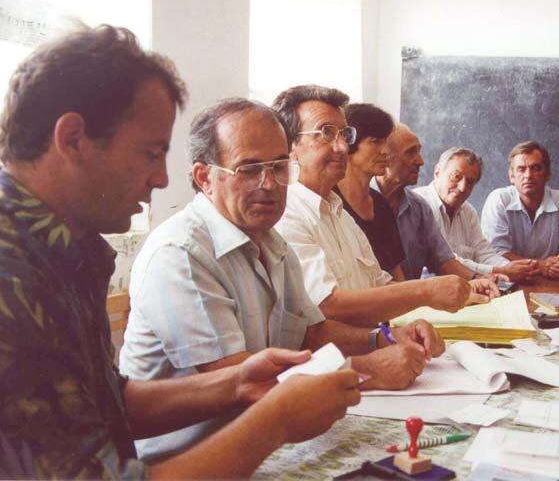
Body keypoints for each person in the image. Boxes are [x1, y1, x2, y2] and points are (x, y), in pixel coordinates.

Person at [0, 26, 359, 479]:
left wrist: (237, 383)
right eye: (150, 154)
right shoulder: (11, 274)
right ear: (72, 139)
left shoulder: (62, 251)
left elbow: (104, 401)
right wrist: (275, 421)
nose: (161, 180)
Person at [120, 98, 443, 461]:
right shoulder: (180, 253)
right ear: (204, 177)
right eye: (250, 168)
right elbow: (238, 377)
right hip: (186, 460)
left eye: (278, 167)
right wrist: (369, 371)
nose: (270, 184)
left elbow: (313, 332)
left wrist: (381, 338)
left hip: (264, 447)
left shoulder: (271, 241)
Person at [273, 85, 492, 327]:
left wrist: (460, 292)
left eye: (345, 135)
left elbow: (381, 284)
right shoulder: (285, 214)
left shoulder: (340, 215)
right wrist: (426, 291)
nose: (343, 147)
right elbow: (327, 305)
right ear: (289, 146)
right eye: (326, 133)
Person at [374, 124, 500, 294]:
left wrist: (476, 279)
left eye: (419, 151)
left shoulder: (419, 207)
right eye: (411, 152)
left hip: (410, 306)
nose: (420, 161)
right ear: (385, 156)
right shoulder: (360, 202)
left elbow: (444, 261)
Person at [413, 146, 540, 282]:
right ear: (437, 172)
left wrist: (512, 267)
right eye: (456, 176)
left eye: (470, 182)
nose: (462, 187)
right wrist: (500, 271)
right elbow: (447, 262)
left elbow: (484, 252)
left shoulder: (468, 211)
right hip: (427, 293)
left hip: (466, 288)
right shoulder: (419, 204)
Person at [481, 140, 559, 279]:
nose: (528, 175)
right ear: (511, 176)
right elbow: (495, 253)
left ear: (547, 174)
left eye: (536, 168)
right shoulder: (498, 200)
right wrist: (541, 266)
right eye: (521, 169)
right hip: (508, 279)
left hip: (553, 281)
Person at [336, 103, 406, 280]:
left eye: (385, 142)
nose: (386, 151)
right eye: (375, 141)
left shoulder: (381, 204)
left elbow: (396, 274)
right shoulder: (330, 202)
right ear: (349, 143)